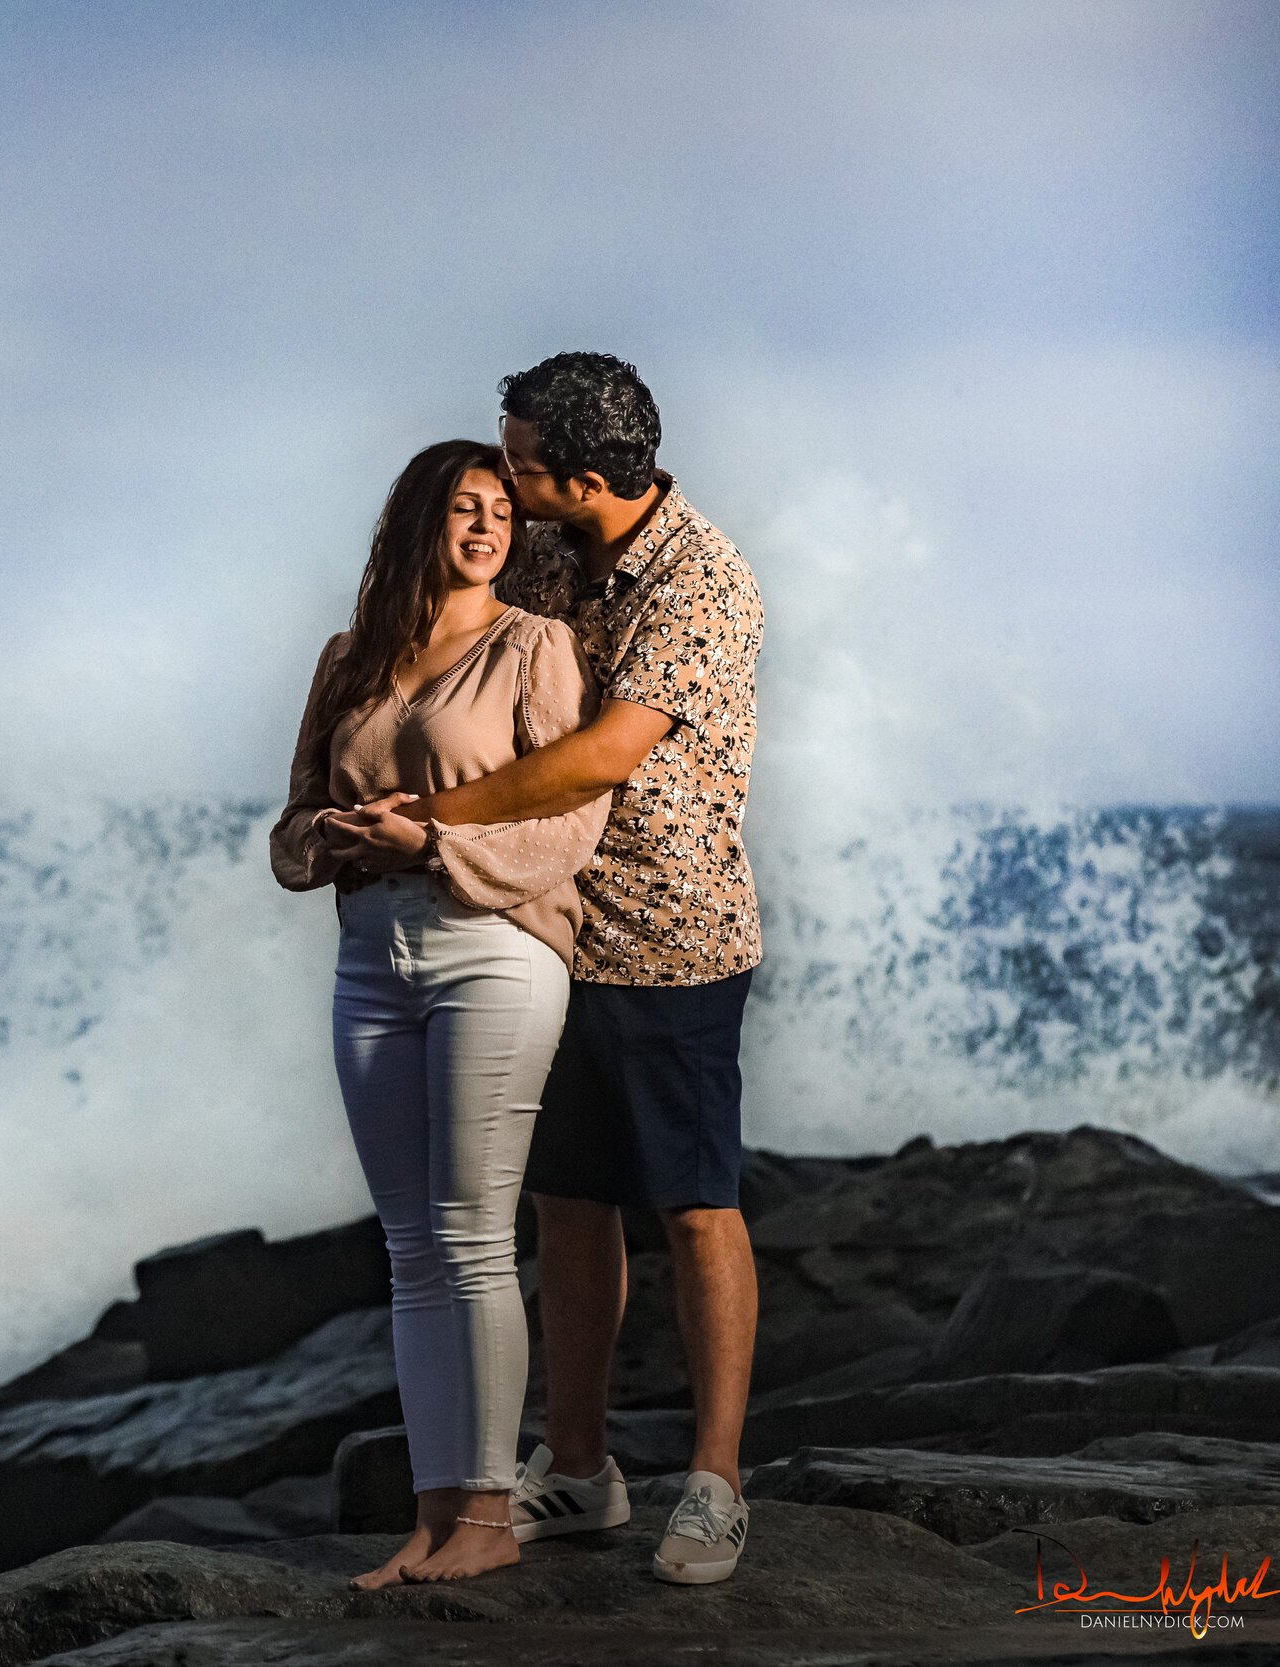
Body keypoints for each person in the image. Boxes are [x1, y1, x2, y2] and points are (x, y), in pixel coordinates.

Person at [387, 354, 767, 1586]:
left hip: (671, 937)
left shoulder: (702, 583)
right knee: (568, 1200)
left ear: (586, 479)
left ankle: (713, 1484)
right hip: (548, 925)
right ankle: (584, 1466)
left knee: (694, 1201)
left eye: (519, 463)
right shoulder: (553, 550)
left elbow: (605, 751)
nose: (501, 476)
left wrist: (446, 815)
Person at [270, 439, 611, 1589]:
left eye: (501, 512)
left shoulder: (533, 644)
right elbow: (289, 830)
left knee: (471, 1236)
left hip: (493, 950)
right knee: (411, 1249)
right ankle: (429, 1517)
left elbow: (573, 820)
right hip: (370, 958)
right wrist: (336, 837)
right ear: (418, 520)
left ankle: (489, 1512)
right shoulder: (347, 658)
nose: (485, 527)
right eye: (463, 509)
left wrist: (433, 841)